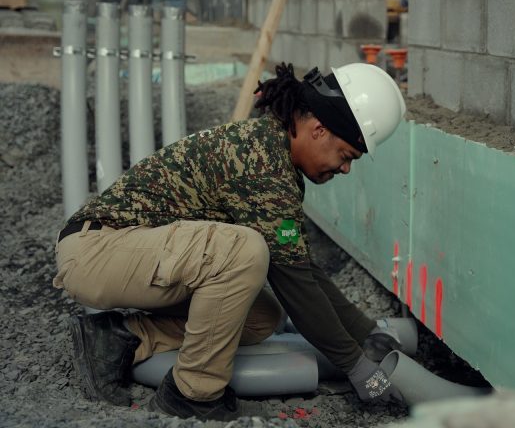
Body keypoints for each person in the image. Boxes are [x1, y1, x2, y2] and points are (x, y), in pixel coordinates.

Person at [52, 62, 408, 421]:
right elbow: (296, 285)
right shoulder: (262, 163)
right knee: (246, 250)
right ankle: (193, 393)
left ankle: (121, 338)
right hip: (96, 251)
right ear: (318, 130)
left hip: (125, 254)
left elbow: (304, 271)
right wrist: (359, 369)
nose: (345, 169)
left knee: (262, 317)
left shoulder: (277, 161)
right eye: (346, 156)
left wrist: (367, 333)